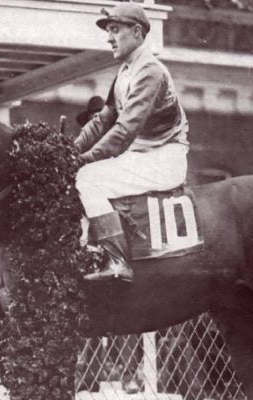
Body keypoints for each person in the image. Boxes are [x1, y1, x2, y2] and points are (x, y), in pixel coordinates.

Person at [74, 3, 189, 282]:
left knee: (87, 178)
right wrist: (69, 149)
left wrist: (82, 160)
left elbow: (124, 130)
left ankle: (118, 261)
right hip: (146, 155)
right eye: (108, 31)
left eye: (115, 30)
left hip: (165, 159)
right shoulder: (126, 71)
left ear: (136, 32)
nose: (109, 38)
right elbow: (103, 121)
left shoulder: (150, 72)